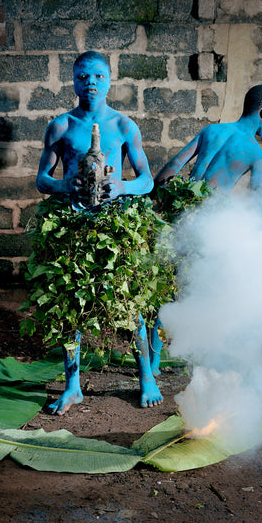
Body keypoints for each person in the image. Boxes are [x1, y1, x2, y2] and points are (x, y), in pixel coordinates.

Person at [36, 50, 162, 414]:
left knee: (131, 305)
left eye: (98, 77)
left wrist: (121, 188)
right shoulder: (60, 126)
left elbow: (147, 180)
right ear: (73, 80)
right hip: (73, 224)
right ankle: (73, 385)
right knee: (69, 306)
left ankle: (147, 378)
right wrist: (64, 188)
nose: (90, 83)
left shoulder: (124, 127)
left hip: (114, 225)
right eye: (82, 77)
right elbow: (42, 179)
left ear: (109, 80)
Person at [155, 85, 262, 218]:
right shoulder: (257, 155)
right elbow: (261, 206)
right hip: (208, 220)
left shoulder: (211, 130)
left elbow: (174, 165)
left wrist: (153, 197)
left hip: (183, 208)